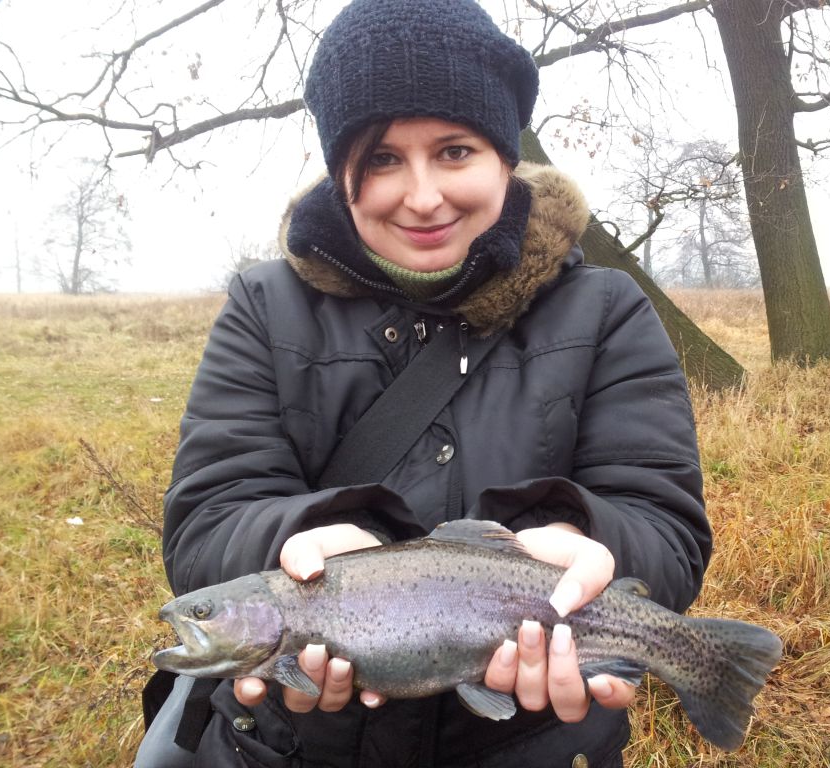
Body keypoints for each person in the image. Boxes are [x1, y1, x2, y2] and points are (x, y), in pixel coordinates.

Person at [153, 0, 711, 765]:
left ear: (505, 157)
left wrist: (591, 543)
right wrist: (296, 544)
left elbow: (668, 533)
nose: (421, 196)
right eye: (382, 158)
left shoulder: (608, 310)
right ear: (341, 170)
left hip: (532, 743)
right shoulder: (264, 306)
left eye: (455, 151)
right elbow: (206, 526)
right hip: (294, 746)